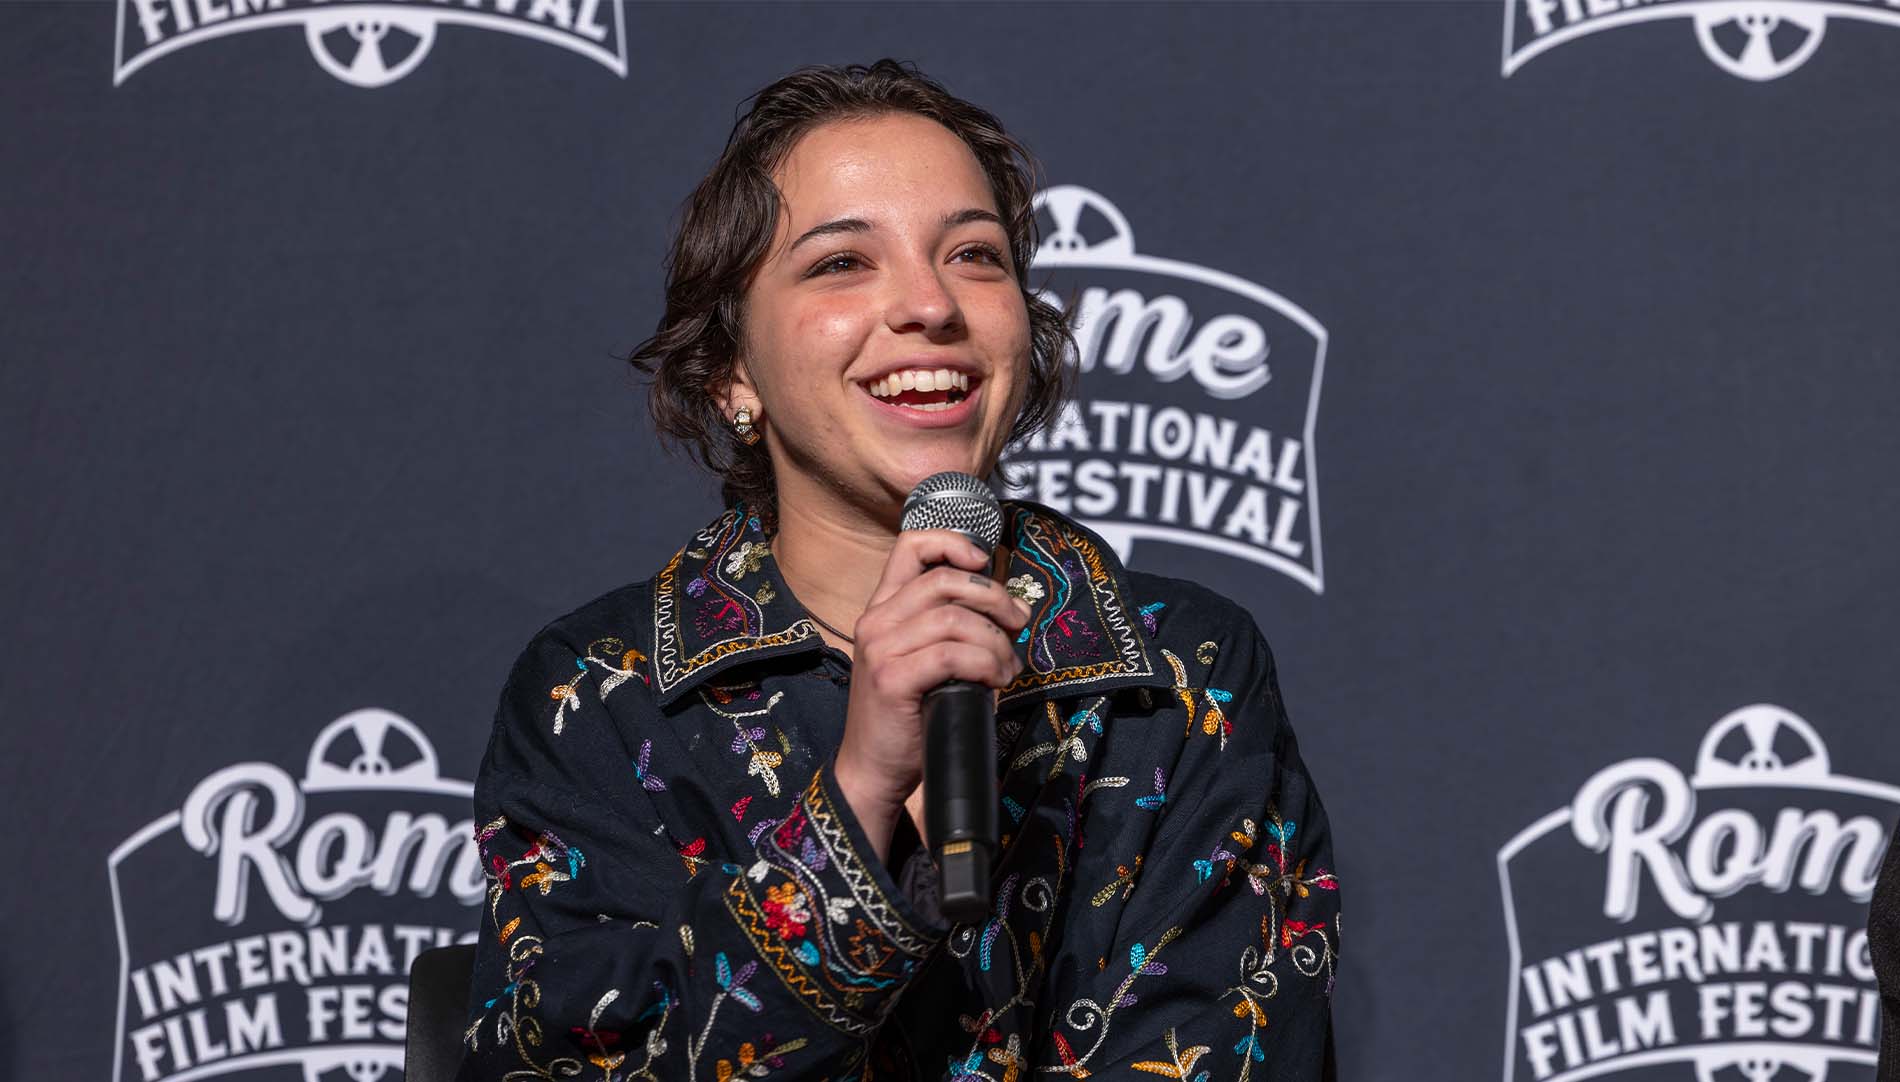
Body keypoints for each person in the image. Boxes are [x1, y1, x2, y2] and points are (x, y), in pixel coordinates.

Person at [455, 59, 1341, 1081]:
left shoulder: (1182, 675)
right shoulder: (600, 697)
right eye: (841, 263)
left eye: (974, 254)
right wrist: (862, 792)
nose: (929, 304)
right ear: (733, 370)